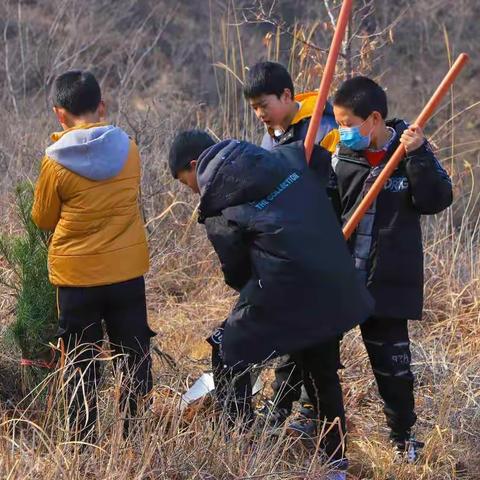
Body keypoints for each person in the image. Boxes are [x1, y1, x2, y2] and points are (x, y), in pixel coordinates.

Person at [168, 129, 374, 477]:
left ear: (194, 165)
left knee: (227, 348)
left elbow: (236, 273)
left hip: (286, 290)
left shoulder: (218, 201)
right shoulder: (278, 157)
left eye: (184, 181)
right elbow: (320, 161)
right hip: (335, 278)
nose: (190, 189)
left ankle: (240, 448)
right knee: (321, 369)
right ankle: (336, 464)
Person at [330, 76, 453, 462]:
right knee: (316, 351)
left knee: (394, 369)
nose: (342, 131)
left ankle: (402, 438)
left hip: (387, 280)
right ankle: (314, 424)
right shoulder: (341, 157)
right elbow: (328, 208)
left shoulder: (410, 150)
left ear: (374, 119)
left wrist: (417, 155)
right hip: (342, 276)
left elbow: (437, 199)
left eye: (347, 123)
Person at [32, 70, 154, 440]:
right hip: (126, 273)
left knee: (81, 363)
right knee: (134, 358)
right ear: (102, 106)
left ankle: (84, 446)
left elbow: (43, 218)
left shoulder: (54, 163)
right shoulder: (129, 150)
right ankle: (135, 439)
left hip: (77, 278)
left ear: (59, 113)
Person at [243, 61, 342, 430]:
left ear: (287, 95)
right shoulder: (272, 136)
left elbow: (341, 190)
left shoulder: (326, 126)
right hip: (288, 252)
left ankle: (311, 415)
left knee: (317, 342)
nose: (260, 115)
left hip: (324, 249)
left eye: (263, 105)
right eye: (253, 108)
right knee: (293, 333)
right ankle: (288, 409)